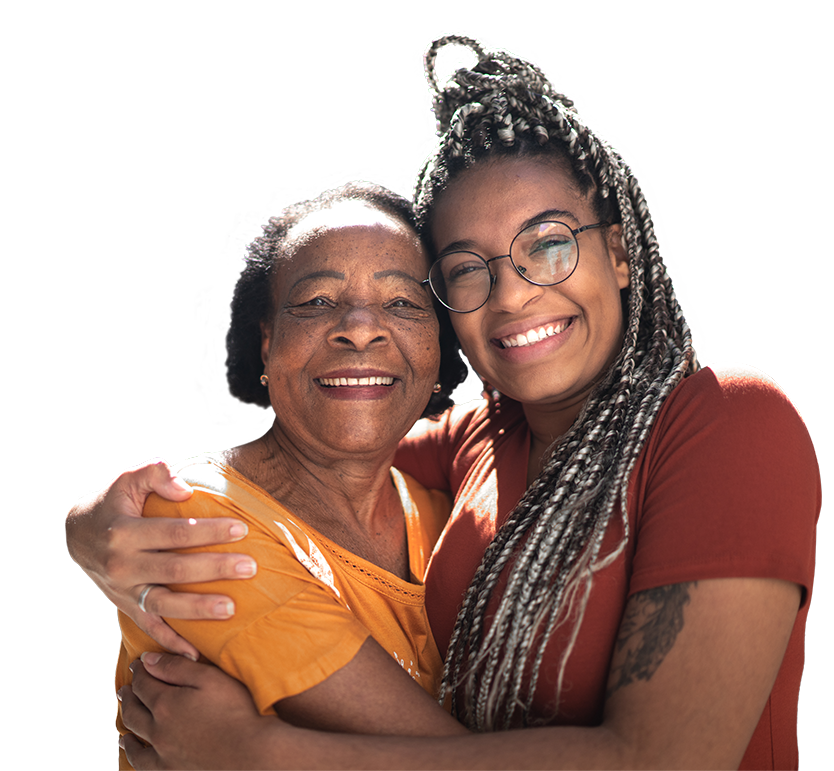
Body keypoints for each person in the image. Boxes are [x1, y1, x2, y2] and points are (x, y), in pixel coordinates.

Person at [66, 32, 820, 771]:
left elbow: (663, 759)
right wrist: (95, 526)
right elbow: (319, 450)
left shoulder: (724, 420)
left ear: (619, 254)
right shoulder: (478, 443)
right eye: (466, 268)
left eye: (548, 243)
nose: (514, 293)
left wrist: (269, 753)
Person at [103, 176, 481, 768]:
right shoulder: (193, 516)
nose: (359, 327)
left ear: (441, 351)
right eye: (317, 303)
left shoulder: (449, 522)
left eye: (403, 303)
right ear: (266, 343)